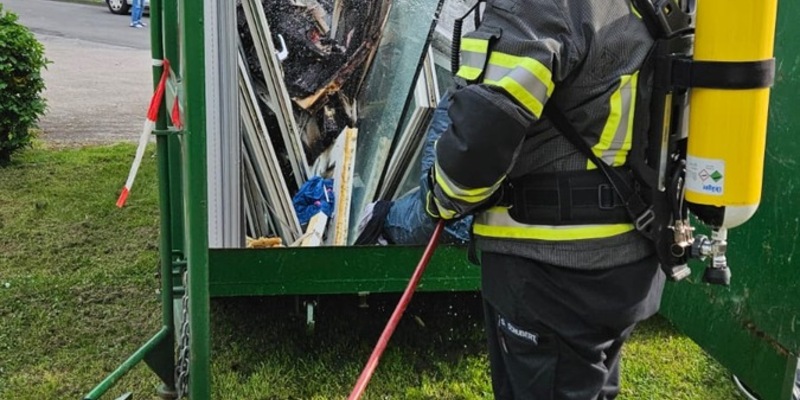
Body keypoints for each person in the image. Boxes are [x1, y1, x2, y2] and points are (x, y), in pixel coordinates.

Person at [360, 0, 667, 398]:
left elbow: (481, 137)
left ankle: (385, 220)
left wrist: (441, 199)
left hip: (553, 274)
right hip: (627, 255)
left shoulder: (544, 6)